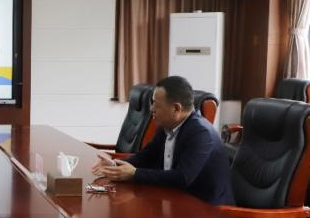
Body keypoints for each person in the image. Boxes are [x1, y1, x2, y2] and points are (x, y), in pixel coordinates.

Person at [92, 75, 234, 205]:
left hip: (208, 210)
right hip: (175, 200)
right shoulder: (167, 125)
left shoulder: (201, 133)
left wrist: (135, 174)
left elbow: (182, 178)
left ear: (176, 108)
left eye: (156, 104)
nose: (151, 108)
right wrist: (115, 165)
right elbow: (146, 157)